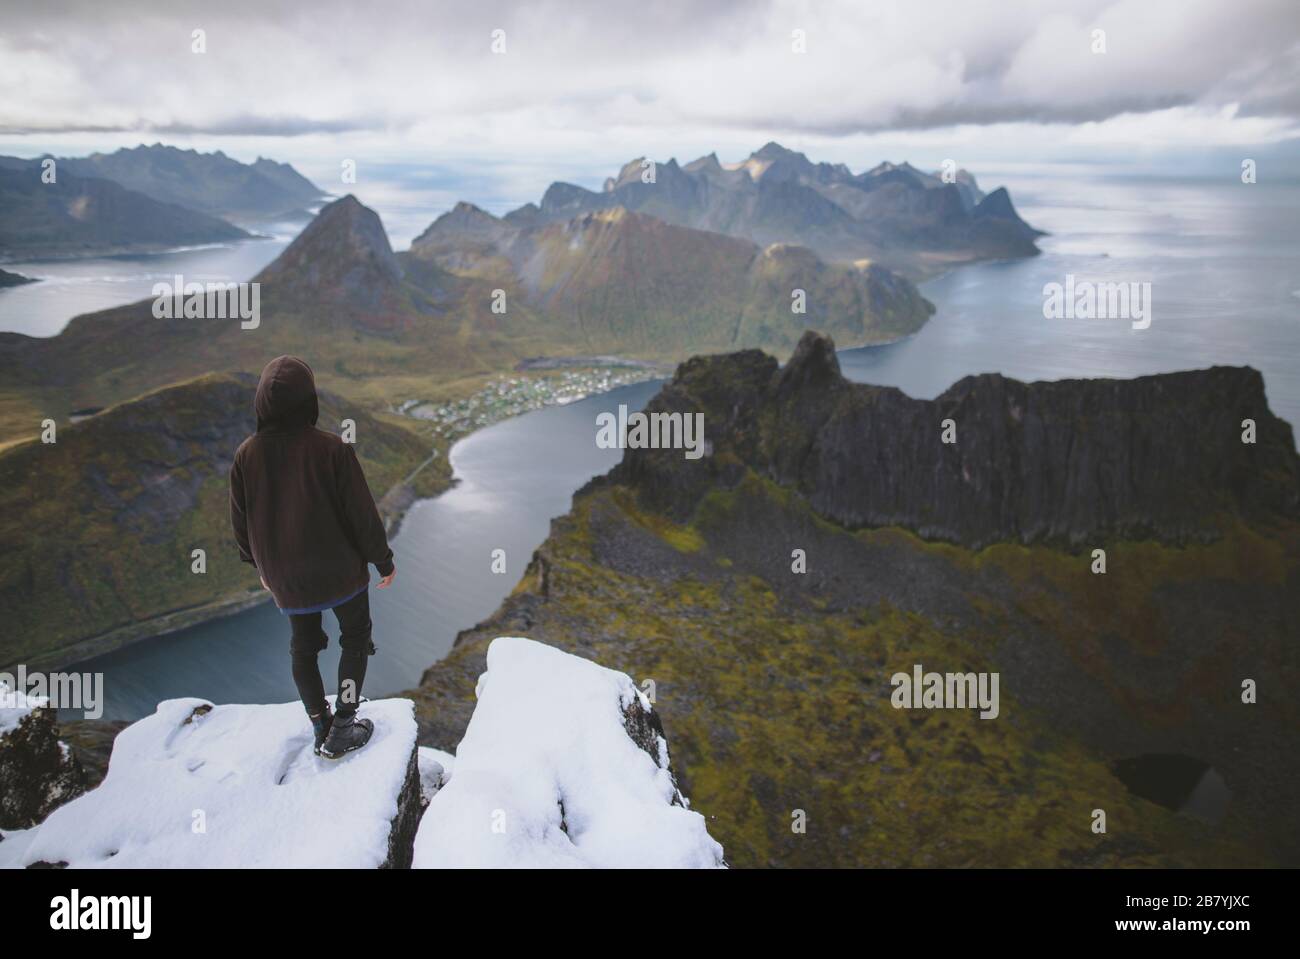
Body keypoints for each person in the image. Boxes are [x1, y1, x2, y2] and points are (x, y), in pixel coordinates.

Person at [229, 355, 396, 759]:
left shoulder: (246, 455)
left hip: (285, 576)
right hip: (339, 571)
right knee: (355, 640)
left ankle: (319, 721)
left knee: (303, 647)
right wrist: (383, 561)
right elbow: (362, 513)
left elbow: (241, 519)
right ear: (309, 399)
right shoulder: (331, 450)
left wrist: (261, 567)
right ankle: (343, 724)